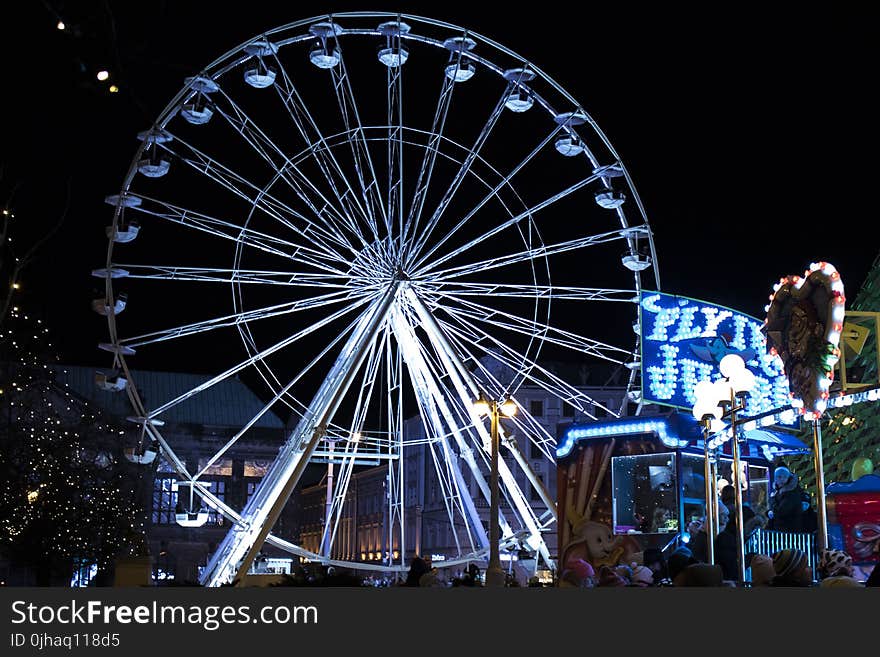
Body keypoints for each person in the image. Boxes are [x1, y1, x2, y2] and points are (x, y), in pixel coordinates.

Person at [767, 467, 806, 532]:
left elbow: (782, 511)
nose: (782, 479)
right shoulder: (777, 492)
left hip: (789, 531)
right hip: (782, 530)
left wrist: (771, 512)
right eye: (779, 477)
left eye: (785, 477)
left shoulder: (791, 493)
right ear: (775, 478)